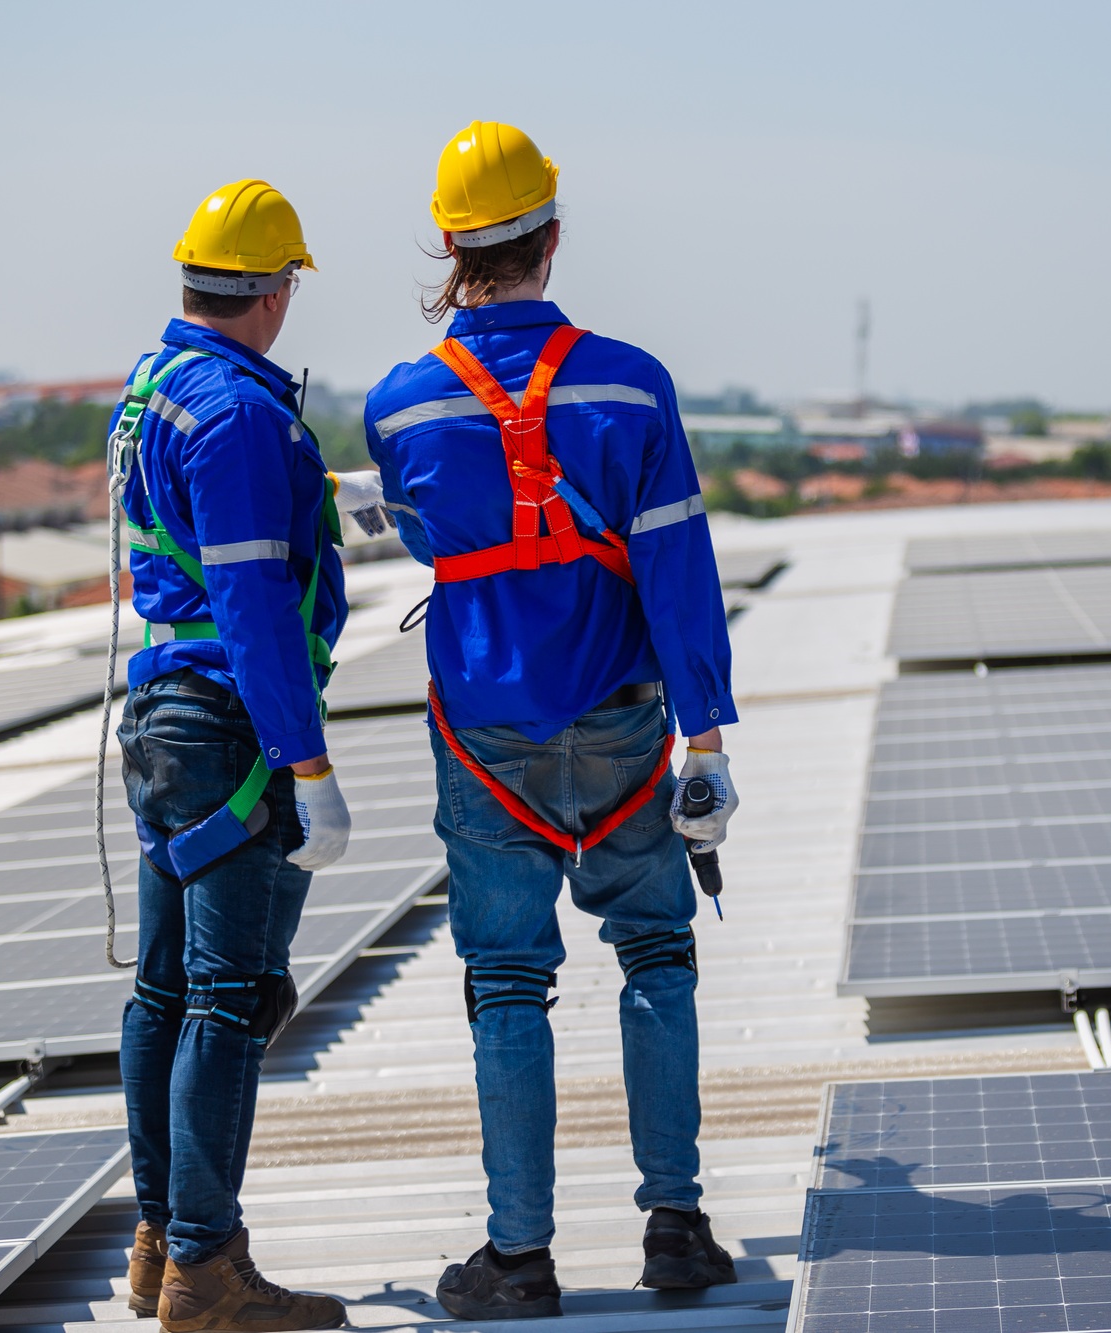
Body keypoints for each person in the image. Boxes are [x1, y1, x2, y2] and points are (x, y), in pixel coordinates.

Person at [363, 120, 742, 1321]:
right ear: (552, 234)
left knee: (505, 978)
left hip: (486, 735)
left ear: (449, 245)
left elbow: (430, 538)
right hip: (626, 718)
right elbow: (678, 564)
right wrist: (709, 737)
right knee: (655, 954)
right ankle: (673, 1226)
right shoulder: (632, 384)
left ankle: (517, 1257)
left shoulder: (400, 406)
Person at [112, 178, 383, 1332]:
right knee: (229, 997)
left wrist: (336, 503)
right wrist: (306, 765)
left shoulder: (158, 388)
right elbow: (257, 602)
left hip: (167, 714)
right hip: (230, 726)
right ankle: (206, 1272)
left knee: (164, 990)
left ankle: (159, 1240)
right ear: (274, 291)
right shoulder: (233, 413)